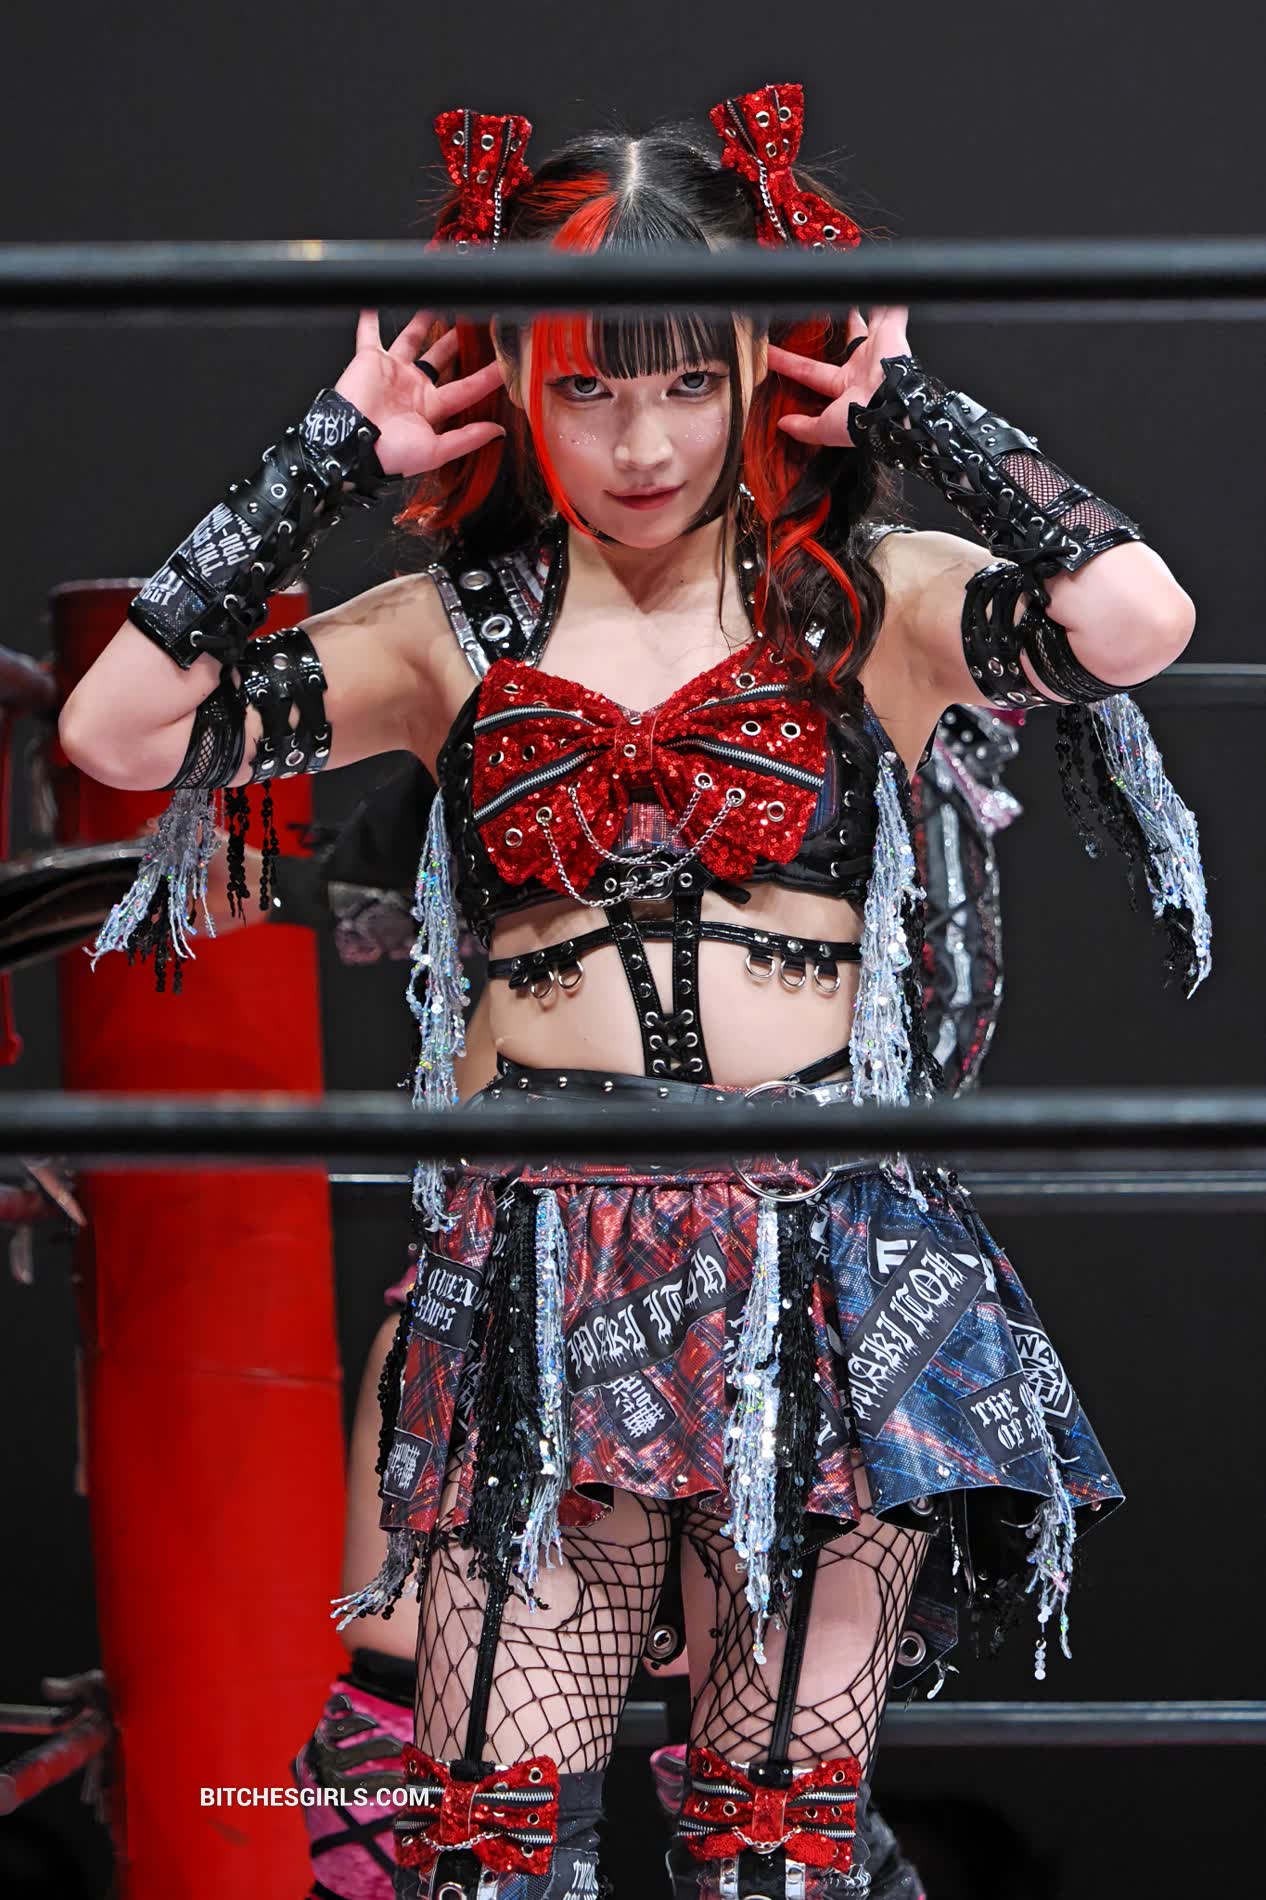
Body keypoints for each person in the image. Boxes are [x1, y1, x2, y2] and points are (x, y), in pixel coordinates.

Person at [59, 81, 1210, 1900]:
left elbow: (1134, 624)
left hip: (822, 1257)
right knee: (491, 1850)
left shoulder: (872, 599)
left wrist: (919, 412)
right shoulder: (449, 629)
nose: (644, 439)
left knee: (778, 1853)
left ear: (764, 362)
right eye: (588, 387)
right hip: (542, 1262)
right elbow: (118, 734)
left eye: (689, 379)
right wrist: (325, 457)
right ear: (516, 384)